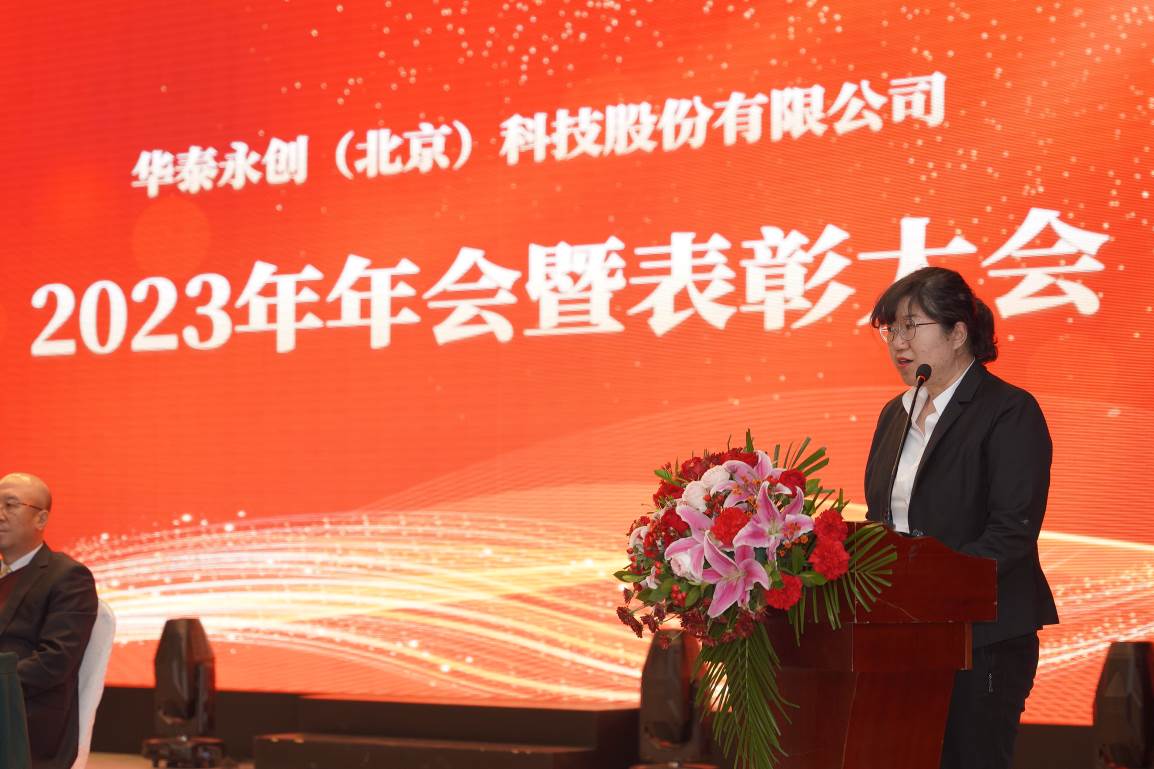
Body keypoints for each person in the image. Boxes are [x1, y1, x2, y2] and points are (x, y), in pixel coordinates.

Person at [863, 267, 1059, 769]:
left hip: (983, 638)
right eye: (891, 329)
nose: (898, 341)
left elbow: (1011, 532)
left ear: (957, 333)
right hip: (907, 637)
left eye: (912, 326)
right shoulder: (895, 415)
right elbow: (882, 522)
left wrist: (928, 587)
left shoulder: (1008, 411)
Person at [0, 473, 97, 769]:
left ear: (41, 519)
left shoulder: (68, 577)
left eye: (10, 505)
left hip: (23, 719)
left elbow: (54, 661)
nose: (0, 514)